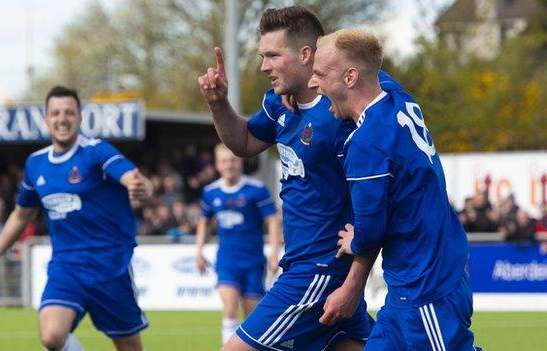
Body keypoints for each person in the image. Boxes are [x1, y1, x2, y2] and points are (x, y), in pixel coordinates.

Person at [198, 6, 377, 351]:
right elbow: (246, 142)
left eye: (273, 56)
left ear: (305, 54)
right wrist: (219, 103)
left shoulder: (344, 110)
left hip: (317, 270)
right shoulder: (278, 103)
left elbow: (372, 191)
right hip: (302, 265)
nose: (264, 66)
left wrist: (355, 278)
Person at [308, 28, 481, 350]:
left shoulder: (366, 144)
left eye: (319, 74)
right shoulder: (397, 98)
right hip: (408, 286)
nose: (311, 83)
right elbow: (373, 68)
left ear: (350, 78)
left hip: (426, 284)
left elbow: (371, 230)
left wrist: (354, 239)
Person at [0, 86, 152, 351]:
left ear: (80, 117)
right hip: (67, 267)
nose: (62, 119)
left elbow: (132, 177)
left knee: (129, 346)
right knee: (52, 335)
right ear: (46, 119)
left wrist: (142, 186)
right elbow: (22, 213)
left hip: (110, 266)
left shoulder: (97, 151)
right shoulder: (36, 163)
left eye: (69, 112)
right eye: (55, 113)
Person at [196, 143, 281, 345]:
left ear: (240, 161)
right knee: (230, 309)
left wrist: (274, 253)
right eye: (224, 161)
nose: (229, 165)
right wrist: (198, 251)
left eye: (233, 160)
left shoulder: (256, 190)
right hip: (227, 262)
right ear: (217, 165)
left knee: (252, 318)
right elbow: (203, 222)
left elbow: (273, 220)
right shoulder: (210, 192)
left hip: (253, 262)